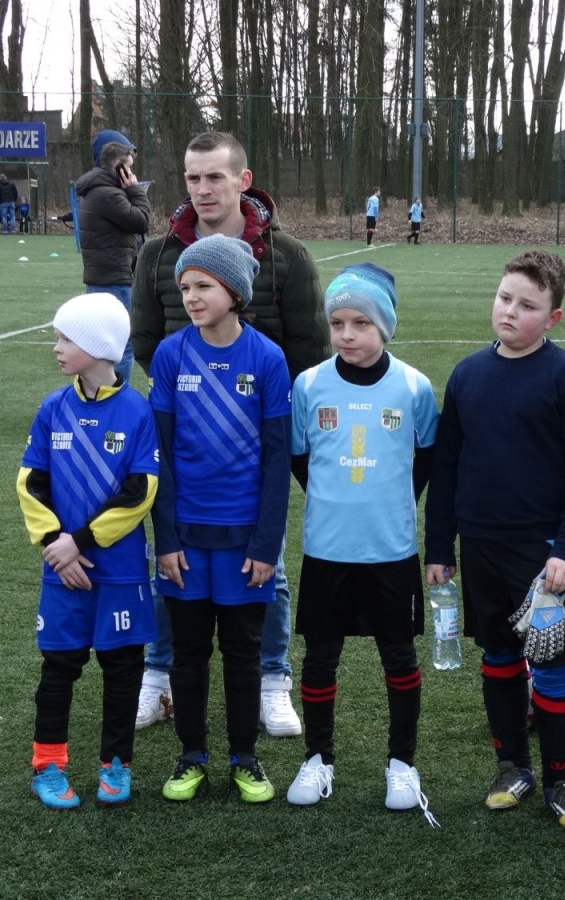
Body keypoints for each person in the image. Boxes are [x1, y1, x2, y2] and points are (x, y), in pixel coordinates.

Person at [131, 131, 328, 738]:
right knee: (171, 561)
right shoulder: (158, 254)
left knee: (267, 566)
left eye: (214, 176)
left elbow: (309, 347)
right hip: (186, 434)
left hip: (260, 431)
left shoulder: (286, 255)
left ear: (243, 181)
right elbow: (146, 340)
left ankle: (272, 680)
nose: (202, 188)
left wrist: (262, 404)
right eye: (192, 177)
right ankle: (158, 677)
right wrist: (193, 394)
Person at [425, 250, 565, 831]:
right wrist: (440, 548)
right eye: (505, 298)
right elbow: (447, 468)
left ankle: (562, 779)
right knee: (498, 658)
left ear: (553, 318)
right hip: (481, 547)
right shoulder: (467, 374)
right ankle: (512, 768)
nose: (510, 312)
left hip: (543, 556)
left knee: (551, 666)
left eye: (527, 305)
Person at [287, 263, 440, 826]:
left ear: (385, 327)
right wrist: (335, 501)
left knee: (398, 656)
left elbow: (427, 457)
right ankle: (317, 759)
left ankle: (402, 763)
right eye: (337, 323)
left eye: (361, 323)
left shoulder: (414, 386)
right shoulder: (308, 386)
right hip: (326, 549)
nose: (347, 334)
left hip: (390, 551)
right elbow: (300, 458)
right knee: (320, 656)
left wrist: (392, 501)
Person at [150, 234, 292, 803]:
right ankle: (191, 756)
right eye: (185, 287)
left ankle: (244, 758)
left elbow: (277, 461)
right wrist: (165, 538)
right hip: (184, 540)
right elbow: (160, 456)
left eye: (203, 286)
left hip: (243, 542)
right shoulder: (170, 354)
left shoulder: (267, 358)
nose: (191, 296)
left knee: (242, 653)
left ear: (234, 292)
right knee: (188, 653)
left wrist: (265, 544)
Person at [16, 293, 160, 810]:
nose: (56, 347)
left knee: (123, 670)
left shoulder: (137, 411)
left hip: (118, 571)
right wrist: (55, 545)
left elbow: (141, 491)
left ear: (99, 346)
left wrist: (78, 542)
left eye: (66, 338)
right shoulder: (53, 408)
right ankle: (48, 765)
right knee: (59, 667)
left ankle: (115, 765)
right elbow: (31, 482)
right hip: (62, 570)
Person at [76, 140, 151, 385]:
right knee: (122, 343)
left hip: (102, 276)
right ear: (119, 166)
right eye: (129, 168)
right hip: (114, 278)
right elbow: (141, 221)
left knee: (101, 342)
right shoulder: (109, 194)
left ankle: (98, 392)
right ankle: (116, 396)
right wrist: (135, 190)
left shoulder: (96, 191)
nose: (132, 174)